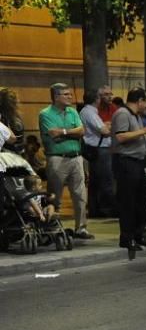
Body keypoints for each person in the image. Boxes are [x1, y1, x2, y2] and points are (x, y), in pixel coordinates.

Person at [39, 83, 94, 240]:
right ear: (56, 96)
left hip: (76, 157)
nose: (70, 97)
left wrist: (63, 131)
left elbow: (82, 131)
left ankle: (81, 228)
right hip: (57, 159)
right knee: (54, 196)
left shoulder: (72, 111)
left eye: (70, 94)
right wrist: (72, 133)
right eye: (66, 94)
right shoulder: (45, 114)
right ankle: (51, 227)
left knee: (80, 195)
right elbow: (52, 134)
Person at [112, 88, 146, 259]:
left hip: (139, 162)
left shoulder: (136, 116)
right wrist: (144, 131)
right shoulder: (122, 114)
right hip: (126, 162)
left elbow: (138, 137)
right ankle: (127, 238)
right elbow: (121, 137)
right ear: (139, 100)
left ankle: (138, 234)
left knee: (142, 200)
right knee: (128, 202)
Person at [80, 89, 116, 218]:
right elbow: (104, 130)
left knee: (96, 182)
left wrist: (106, 125)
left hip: (98, 149)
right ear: (97, 99)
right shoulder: (89, 112)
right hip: (101, 150)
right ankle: (107, 209)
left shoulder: (88, 111)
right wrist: (111, 125)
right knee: (106, 181)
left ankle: (96, 209)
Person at [0, 87, 26, 155]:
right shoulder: (17, 119)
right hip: (17, 157)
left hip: (6, 157)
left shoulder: (4, 120)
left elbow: (12, 139)